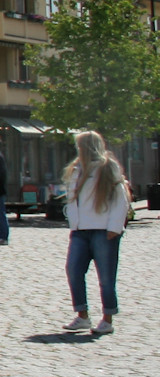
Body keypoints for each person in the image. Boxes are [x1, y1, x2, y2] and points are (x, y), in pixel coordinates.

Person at [60, 130, 129, 335]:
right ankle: (82, 315)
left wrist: (114, 228)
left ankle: (107, 318)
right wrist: (74, 223)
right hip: (80, 231)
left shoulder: (108, 167)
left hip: (103, 230)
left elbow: (120, 199)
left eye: (81, 145)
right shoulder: (76, 170)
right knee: (73, 270)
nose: (78, 149)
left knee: (106, 277)